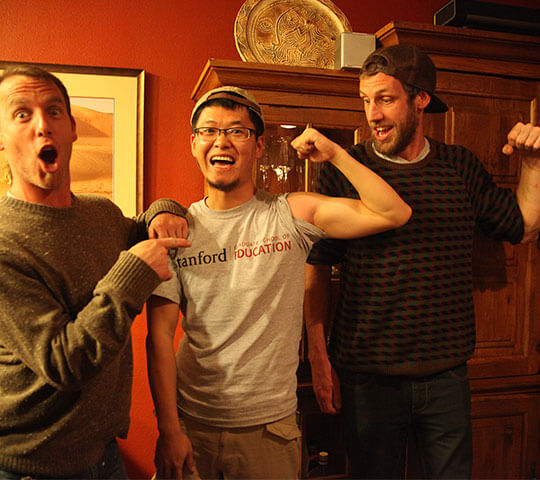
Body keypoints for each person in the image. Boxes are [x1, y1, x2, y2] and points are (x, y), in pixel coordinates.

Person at [146, 85, 412, 480]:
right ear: (193, 144)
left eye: (237, 131)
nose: (222, 141)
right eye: (209, 130)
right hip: (192, 426)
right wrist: (169, 430)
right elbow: (159, 338)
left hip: (270, 431)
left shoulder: (291, 214)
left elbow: (393, 212)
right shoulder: (175, 229)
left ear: (258, 146)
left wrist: (335, 154)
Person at [304, 44, 540, 479]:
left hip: (446, 376)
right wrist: (319, 358)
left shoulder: (459, 166)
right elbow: (316, 265)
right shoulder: (344, 169)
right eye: (366, 100)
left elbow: (522, 226)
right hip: (367, 377)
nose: (373, 114)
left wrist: (533, 163)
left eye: (385, 99)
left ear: (421, 99)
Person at [0, 65, 190, 479]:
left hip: (104, 454)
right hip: (34, 466)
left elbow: (142, 227)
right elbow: (66, 361)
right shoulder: (4, 243)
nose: (42, 126)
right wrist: (135, 272)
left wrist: (163, 211)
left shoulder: (100, 213)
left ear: (72, 129)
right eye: (22, 114)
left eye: (54, 111)